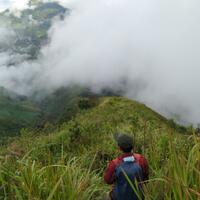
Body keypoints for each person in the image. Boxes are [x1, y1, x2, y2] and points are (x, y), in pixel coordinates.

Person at [104, 134, 149, 200]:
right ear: (133, 146)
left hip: (119, 197)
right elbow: (145, 179)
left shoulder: (114, 163)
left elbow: (107, 180)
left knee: (106, 196)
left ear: (119, 148)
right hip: (138, 197)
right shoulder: (141, 159)